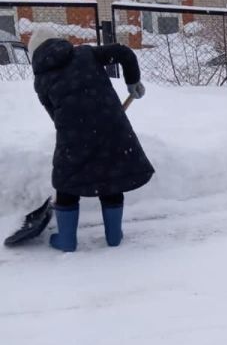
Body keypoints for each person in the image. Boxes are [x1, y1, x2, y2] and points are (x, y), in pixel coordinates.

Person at [29, 26, 154, 252]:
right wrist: (132, 81)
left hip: (73, 135)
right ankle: (114, 236)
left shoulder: (41, 80)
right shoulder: (85, 53)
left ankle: (67, 240)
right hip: (112, 125)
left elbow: (54, 115)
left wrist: (77, 125)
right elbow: (124, 52)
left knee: (66, 183)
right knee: (112, 175)